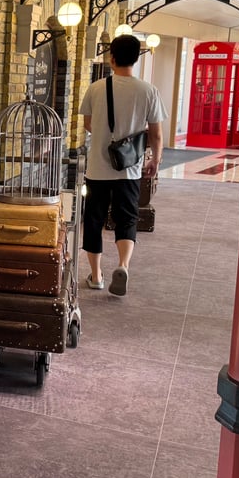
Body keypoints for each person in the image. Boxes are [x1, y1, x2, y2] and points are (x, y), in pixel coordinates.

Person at [79, 34, 167, 297]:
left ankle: (96, 276)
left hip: (97, 169)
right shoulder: (148, 90)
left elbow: (87, 124)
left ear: (112, 58)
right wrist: (155, 159)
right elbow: (156, 134)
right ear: (136, 59)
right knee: (127, 218)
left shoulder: (96, 88)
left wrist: (107, 136)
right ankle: (123, 265)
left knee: (93, 220)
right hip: (130, 168)